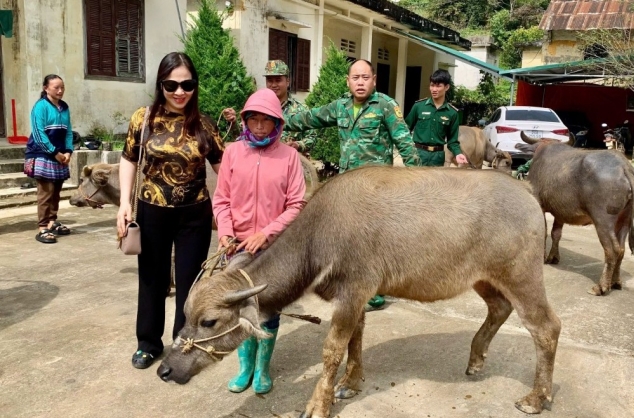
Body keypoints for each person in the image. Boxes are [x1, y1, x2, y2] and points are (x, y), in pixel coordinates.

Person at [283, 58, 420, 311]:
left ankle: (376, 293)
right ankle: (356, 286)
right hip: (349, 189)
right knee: (352, 240)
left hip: (377, 189)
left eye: (365, 77)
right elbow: (310, 119)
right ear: (348, 81)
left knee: (375, 241)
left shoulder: (385, 106)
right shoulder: (340, 106)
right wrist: (275, 120)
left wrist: (416, 181)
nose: (360, 82)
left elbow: (405, 143)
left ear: (374, 80)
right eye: (355, 78)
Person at [117, 52, 224, 370]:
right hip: (152, 212)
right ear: (160, 84)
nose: (180, 92)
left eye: (187, 84)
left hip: (195, 215)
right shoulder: (144, 118)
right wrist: (124, 202)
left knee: (190, 284)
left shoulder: (204, 124)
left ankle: (184, 342)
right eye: (171, 84)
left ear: (195, 86)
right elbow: (129, 158)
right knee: (152, 279)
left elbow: (226, 168)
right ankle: (149, 342)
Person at [213, 88, 307, 394]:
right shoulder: (232, 153)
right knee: (240, 308)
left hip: (273, 251)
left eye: (266, 120)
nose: (259, 126)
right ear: (245, 120)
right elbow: (222, 199)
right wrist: (226, 232)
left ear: (277, 122)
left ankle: (263, 368)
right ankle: (245, 368)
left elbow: (297, 205)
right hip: (236, 248)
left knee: (267, 309)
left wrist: (266, 233)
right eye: (253, 119)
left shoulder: (289, 157)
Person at [223, 60, 316, 153]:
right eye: (270, 81)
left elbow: (312, 137)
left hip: (289, 160)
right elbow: (242, 136)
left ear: (288, 81)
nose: (274, 85)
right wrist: (233, 122)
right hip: (260, 161)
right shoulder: (257, 107)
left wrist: (298, 145)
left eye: (278, 80)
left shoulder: (301, 109)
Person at [24, 74, 74, 243]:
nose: (60, 91)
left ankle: (52, 222)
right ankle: (43, 228)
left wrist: (68, 151)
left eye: (62, 87)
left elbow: (68, 131)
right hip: (42, 154)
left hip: (60, 155)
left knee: (56, 192)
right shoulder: (40, 107)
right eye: (56, 88)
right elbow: (39, 134)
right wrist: (55, 153)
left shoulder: (64, 107)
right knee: (46, 192)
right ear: (46, 88)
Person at [405, 69, 468, 167]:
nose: (434, 89)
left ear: (446, 87)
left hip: (437, 157)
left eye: (438, 86)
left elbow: (452, 141)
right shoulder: (418, 107)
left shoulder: (452, 113)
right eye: (432, 85)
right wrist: (407, 150)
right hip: (418, 153)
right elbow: (405, 130)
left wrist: (458, 153)